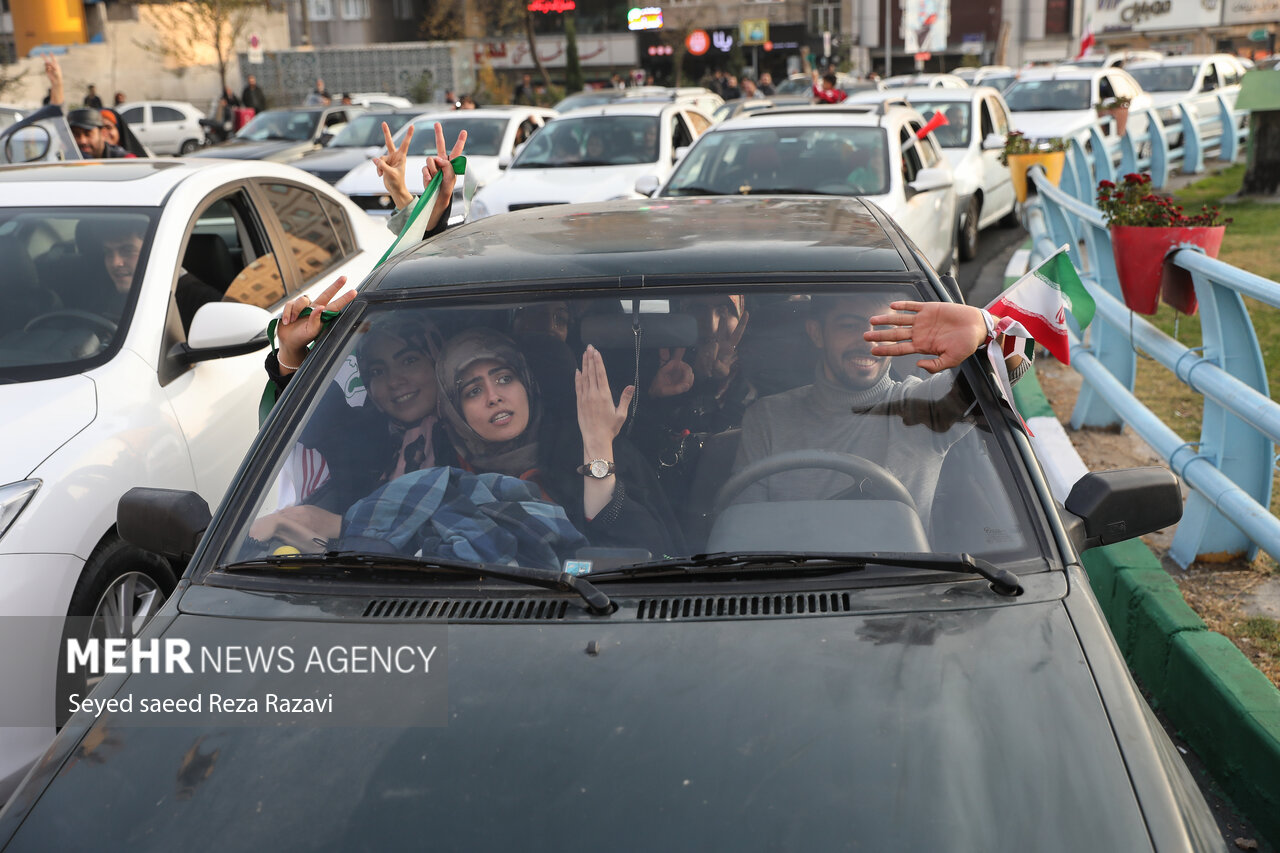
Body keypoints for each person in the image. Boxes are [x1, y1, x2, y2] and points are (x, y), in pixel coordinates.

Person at [733, 294, 1030, 527]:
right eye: (849, 325)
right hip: (793, 589)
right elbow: (745, 532)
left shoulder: (923, 406)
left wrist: (983, 324)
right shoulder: (767, 417)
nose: (868, 340)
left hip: (896, 588)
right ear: (817, 333)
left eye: (884, 328)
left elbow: (1020, 356)